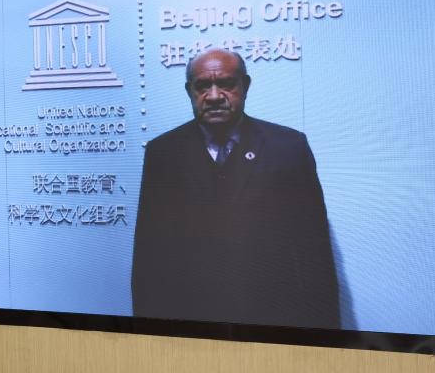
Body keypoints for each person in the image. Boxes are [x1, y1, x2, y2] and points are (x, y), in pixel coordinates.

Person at [131, 48, 341, 329]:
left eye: (226, 84)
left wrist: (325, 334)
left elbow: (314, 251)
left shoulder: (288, 147)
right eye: (202, 86)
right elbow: (148, 255)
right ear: (189, 91)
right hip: (190, 321)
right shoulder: (163, 153)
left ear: (245, 86)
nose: (214, 96)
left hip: (274, 320)